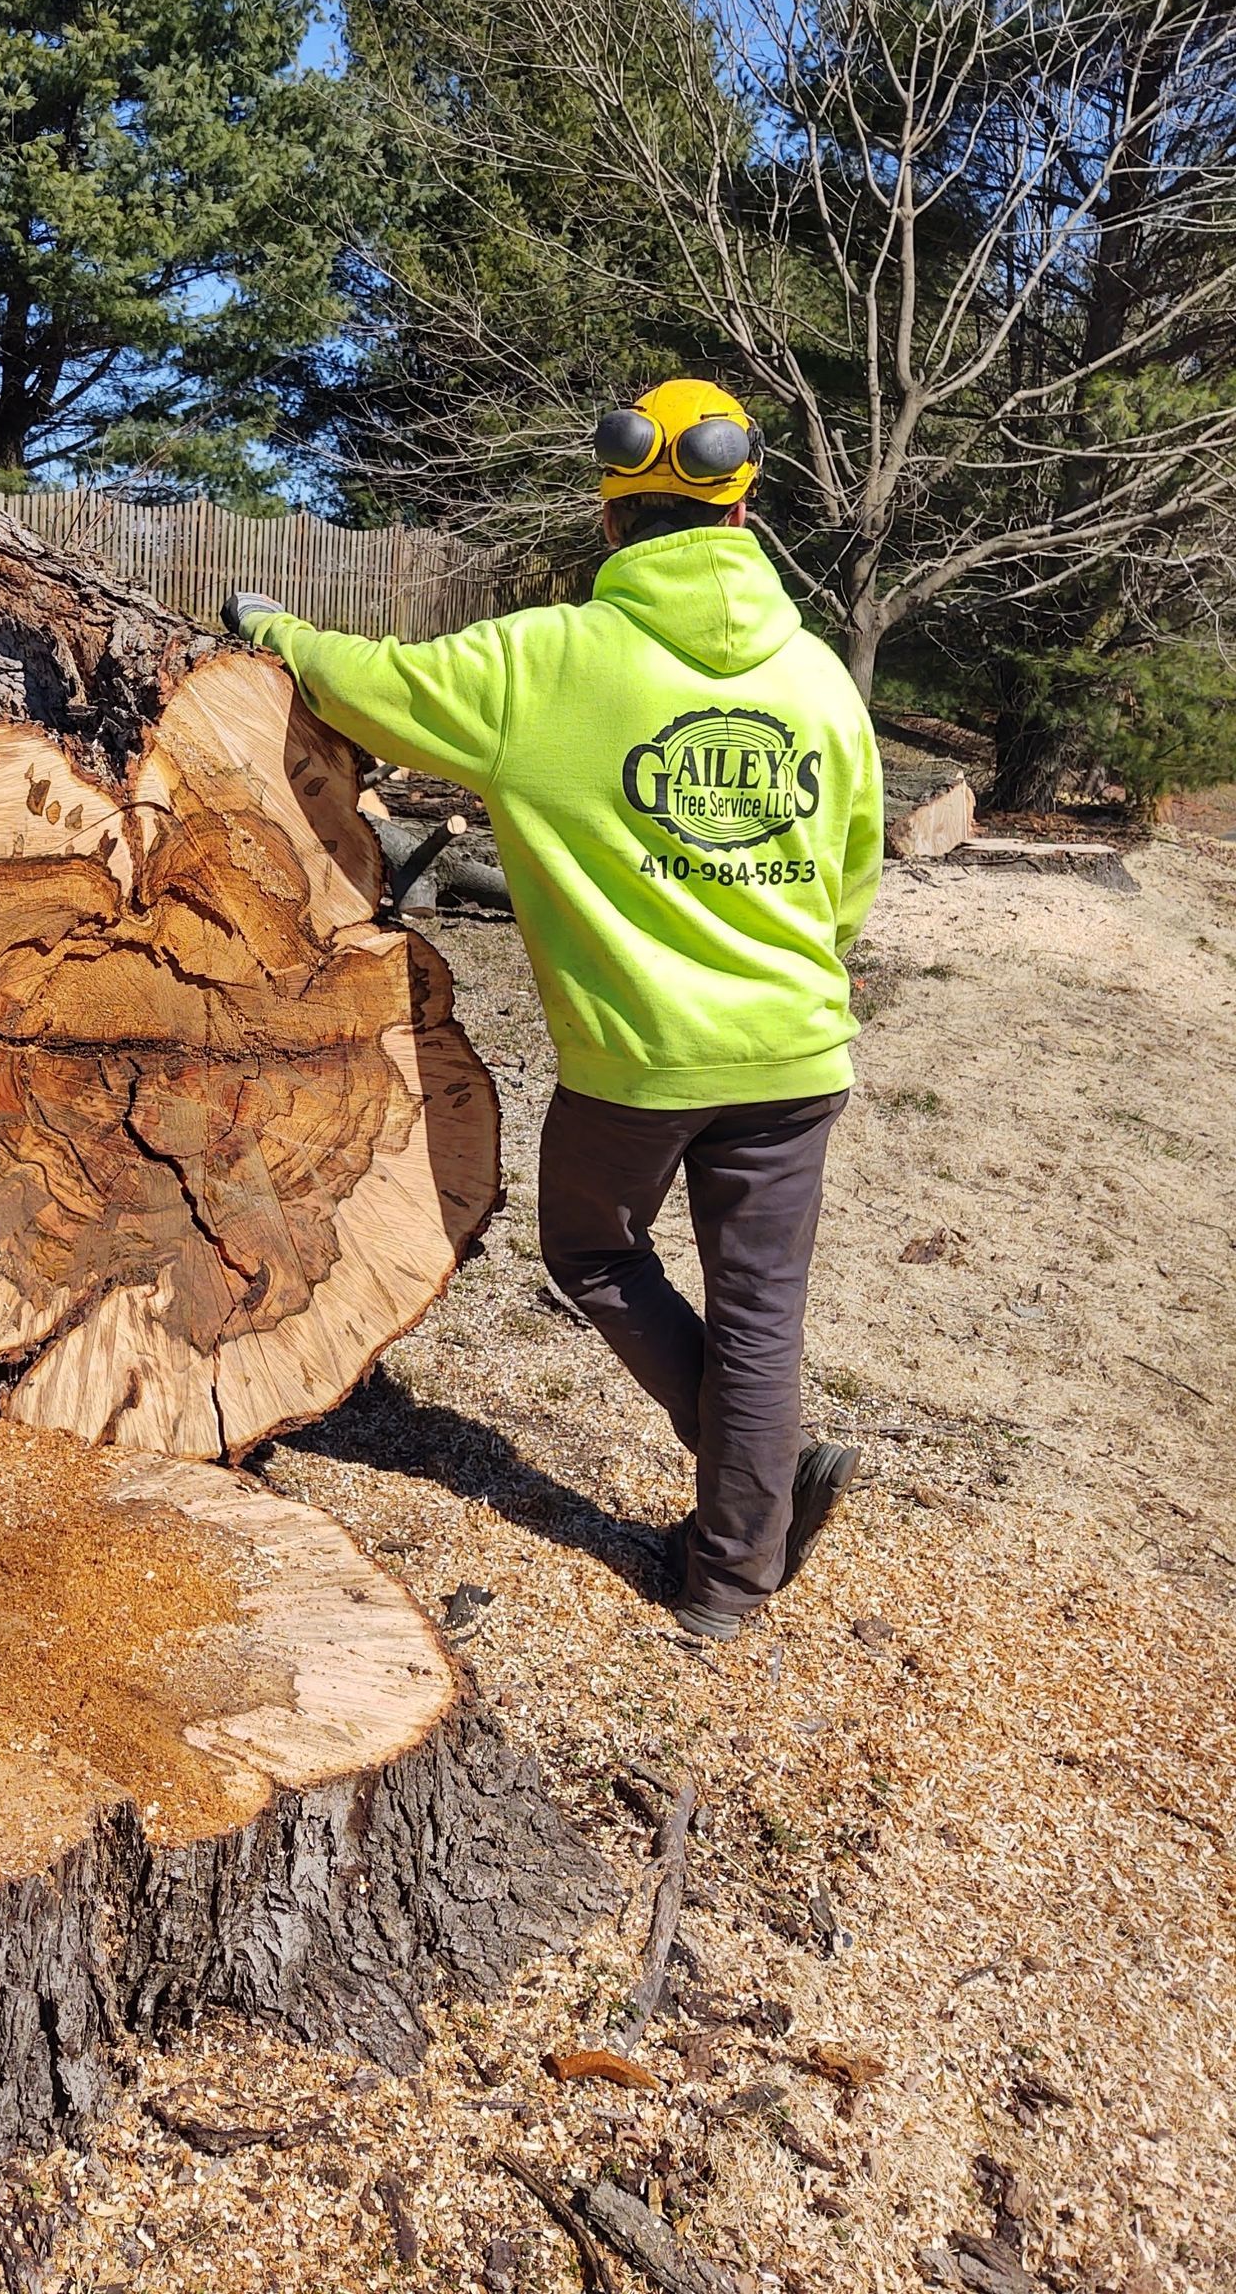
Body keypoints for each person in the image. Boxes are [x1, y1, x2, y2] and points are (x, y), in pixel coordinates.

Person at [222, 377, 883, 1642]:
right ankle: (732, 1575)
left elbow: (373, 684)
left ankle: (746, 1472)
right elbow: (852, 873)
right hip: (798, 1055)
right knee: (761, 1314)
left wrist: (280, 632)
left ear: (608, 521)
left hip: (636, 1067)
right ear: (749, 508)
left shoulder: (545, 662)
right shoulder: (817, 680)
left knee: (592, 1247)